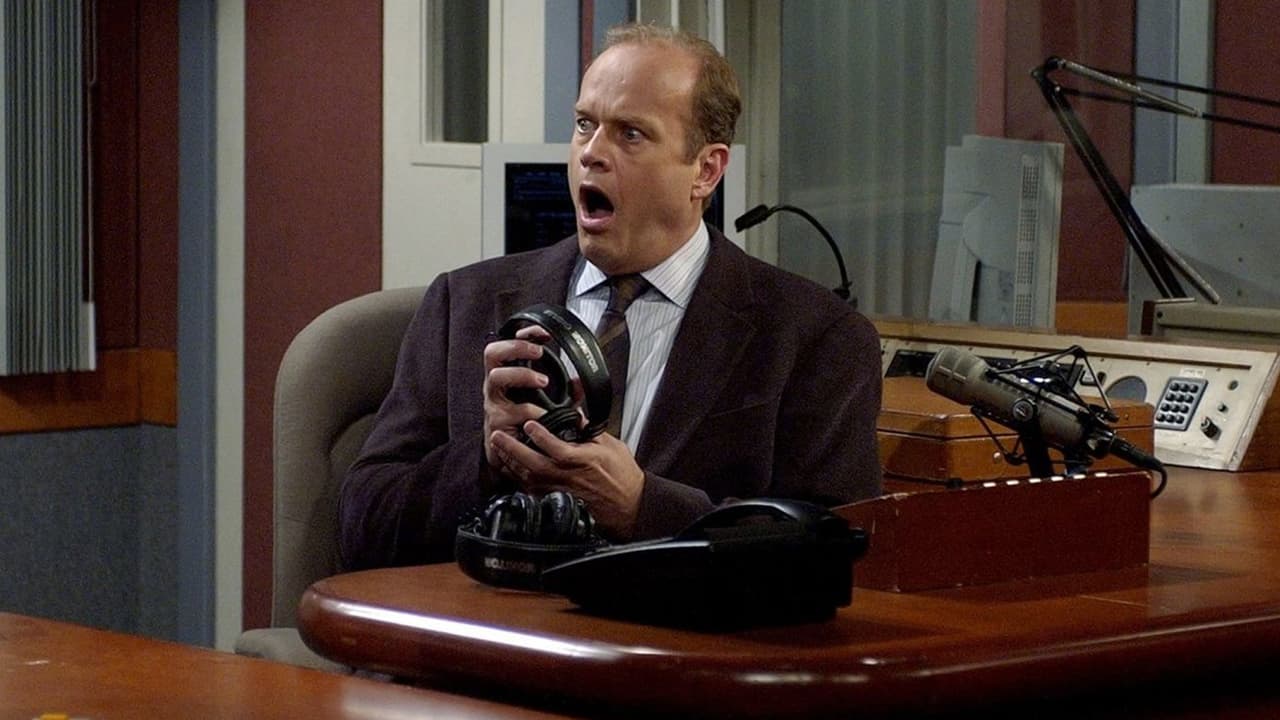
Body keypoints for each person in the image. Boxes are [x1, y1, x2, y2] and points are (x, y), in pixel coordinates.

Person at [339, 23, 882, 570]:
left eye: (630, 134)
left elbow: (830, 556)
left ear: (705, 170)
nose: (591, 153)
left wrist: (643, 508)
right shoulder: (464, 303)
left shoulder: (817, 338)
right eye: (584, 125)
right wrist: (484, 459)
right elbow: (364, 527)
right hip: (485, 618)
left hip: (674, 624)